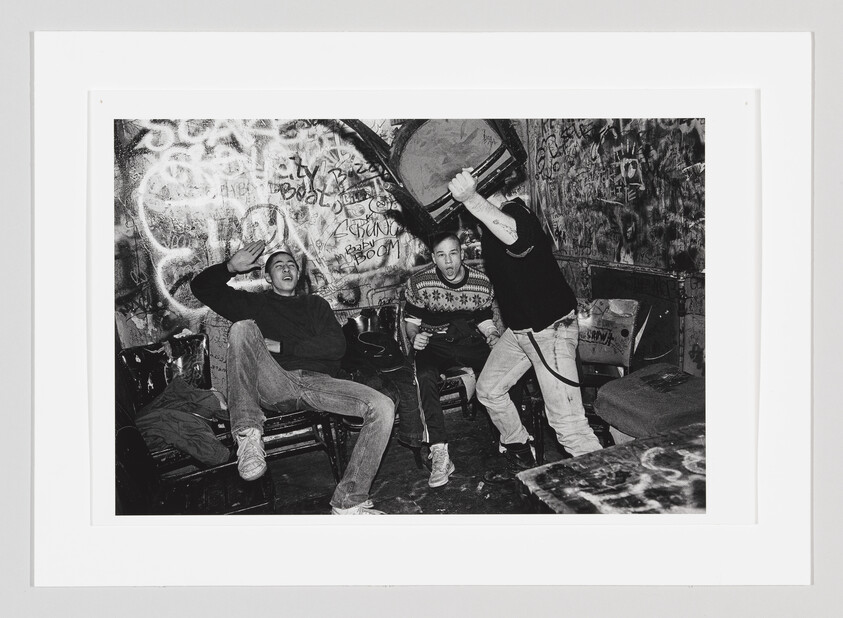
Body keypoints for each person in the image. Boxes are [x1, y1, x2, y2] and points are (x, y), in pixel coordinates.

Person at [190, 241, 395, 515]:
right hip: (275, 381)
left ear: (298, 275)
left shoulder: (315, 305)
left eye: (291, 266)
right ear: (267, 276)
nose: (286, 269)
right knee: (242, 328)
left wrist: (281, 345)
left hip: (319, 383)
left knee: (382, 406)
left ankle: (348, 502)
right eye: (278, 266)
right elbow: (201, 288)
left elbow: (336, 347)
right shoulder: (255, 304)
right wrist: (229, 267)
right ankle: (248, 435)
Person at [447, 170, 603, 468]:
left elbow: (518, 238)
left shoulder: (515, 212)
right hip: (522, 331)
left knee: (570, 429)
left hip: (550, 329)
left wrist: (470, 199)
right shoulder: (492, 224)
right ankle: (519, 445)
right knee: (489, 390)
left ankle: (617, 501)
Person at [403, 231, 501, 487]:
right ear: (434, 258)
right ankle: (439, 452)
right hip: (433, 342)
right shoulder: (419, 283)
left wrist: (491, 334)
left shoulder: (480, 282)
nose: (448, 262)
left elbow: (484, 318)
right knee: (424, 376)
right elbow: (411, 322)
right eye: (441, 255)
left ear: (462, 254)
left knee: (503, 366)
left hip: (468, 341)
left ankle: (511, 438)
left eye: (453, 253)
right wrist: (415, 338)